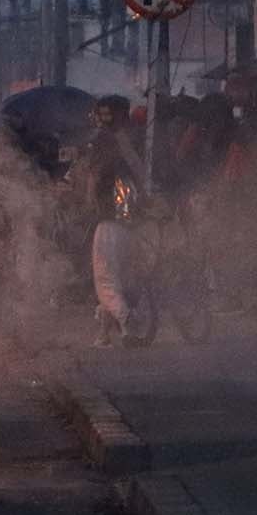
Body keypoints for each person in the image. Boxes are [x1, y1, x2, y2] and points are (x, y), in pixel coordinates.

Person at [79, 95, 149, 346]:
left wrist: (87, 200)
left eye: (104, 114)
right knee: (118, 277)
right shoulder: (136, 139)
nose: (100, 119)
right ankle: (105, 334)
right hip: (133, 224)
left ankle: (128, 321)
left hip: (109, 221)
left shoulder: (103, 141)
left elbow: (95, 178)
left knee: (106, 280)